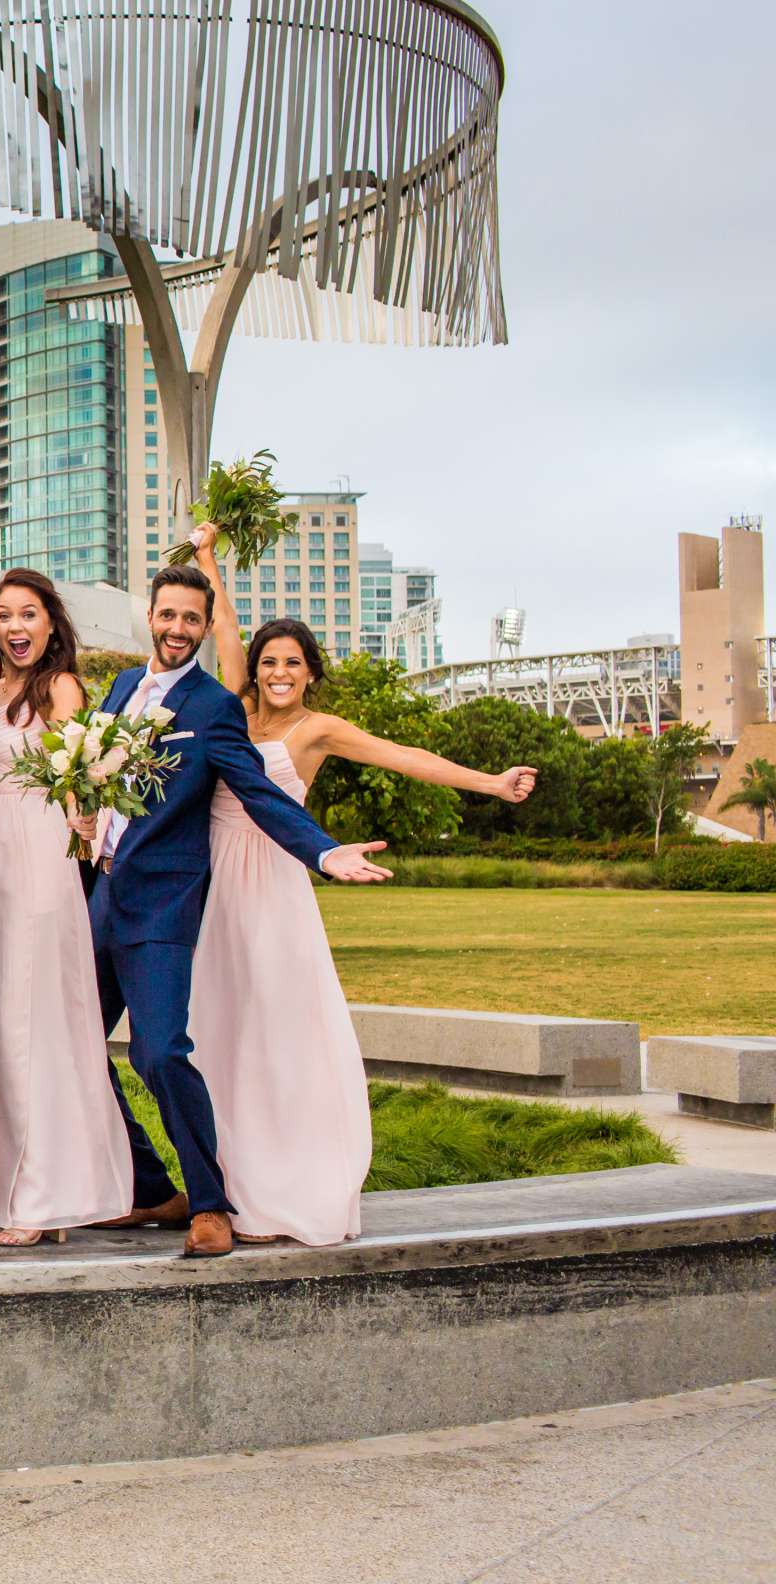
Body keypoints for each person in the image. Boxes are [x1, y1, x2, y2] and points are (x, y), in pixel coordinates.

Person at [186, 528, 537, 1244]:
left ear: (311, 672)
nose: (279, 671)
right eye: (269, 661)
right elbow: (223, 620)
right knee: (217, 1029)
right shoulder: (230, 708)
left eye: (293, 662)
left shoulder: (319, 729)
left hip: (276, 880)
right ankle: (227, 1184)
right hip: (211, 880)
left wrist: (491, 785)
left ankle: (294, 1180)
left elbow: (405, 756)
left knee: (277, 1028)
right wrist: (207, 558)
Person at [83, 564, 392, 1259]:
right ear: (151, 617)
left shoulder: (214, 707)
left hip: (164, 900)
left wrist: (322, 852)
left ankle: (211, 1202)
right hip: (100, 892)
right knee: (72, 1044)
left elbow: (258, 792)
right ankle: (145, 1185)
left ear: (202, 624)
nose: (177, 629)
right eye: (167, 616)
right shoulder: (122, 689)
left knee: (160, 1053)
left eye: (192, 619)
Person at [0, 569, 135, 1245]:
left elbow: (79, 773)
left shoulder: (59, 686)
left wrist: (86, 818)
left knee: (30, 1022)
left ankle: (41, 1198)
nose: (16, 628)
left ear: (50, 622)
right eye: (5, 616)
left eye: (28, 615)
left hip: (35, 855)